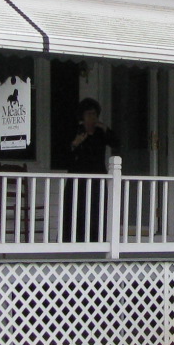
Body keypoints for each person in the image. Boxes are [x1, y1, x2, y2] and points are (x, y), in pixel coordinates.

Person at [61, 98, 118, 241]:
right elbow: (64, 155)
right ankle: (73, 239)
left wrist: (105, 128)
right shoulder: (77, 131)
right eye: (88, 114)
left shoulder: (100, 133)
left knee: (97, 209)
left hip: (97, 176)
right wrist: (76, 143)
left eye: (94, 114)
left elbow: (117, 143)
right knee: (76, 209)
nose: (92, 117)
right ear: (82, 116)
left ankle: (96, 239)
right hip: (78, 177)